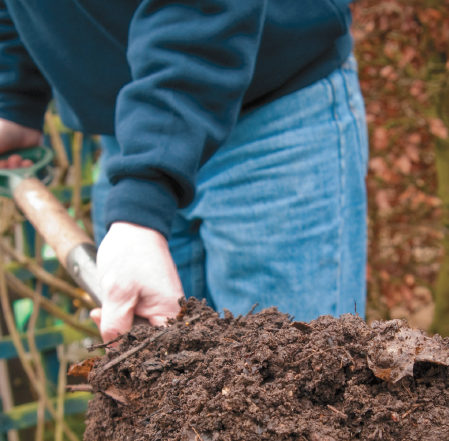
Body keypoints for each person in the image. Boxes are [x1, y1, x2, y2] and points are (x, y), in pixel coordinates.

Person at [0, 1, 368, 343]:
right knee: (158, 395)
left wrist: (145, 193)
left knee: (295, 388)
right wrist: (11, 98)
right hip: (128, 138)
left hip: (272, 113)